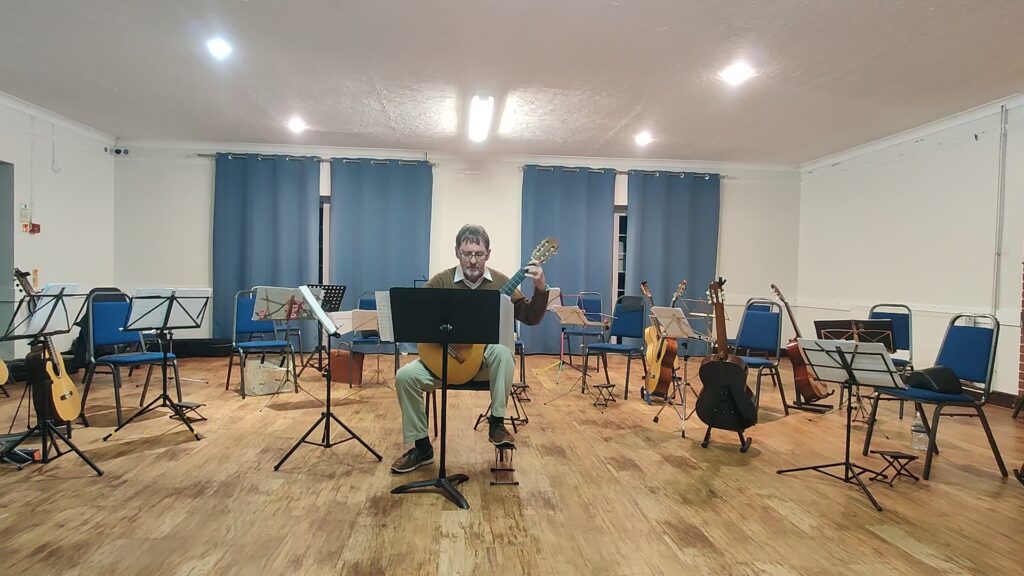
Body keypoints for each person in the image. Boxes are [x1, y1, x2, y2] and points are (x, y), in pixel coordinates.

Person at [390, 224, 550, 474]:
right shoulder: (441, 281)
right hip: (444, 362)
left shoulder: (501, 283)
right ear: (457, 252)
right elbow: (418, 317)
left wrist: (541, 287)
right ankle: (422, 448)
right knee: (405, 376)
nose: (473, 260)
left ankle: (496, 423)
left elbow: (531, 317)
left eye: (479, 254)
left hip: (483, 367)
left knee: (502, 352)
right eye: (467, 254)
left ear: (488, 254)